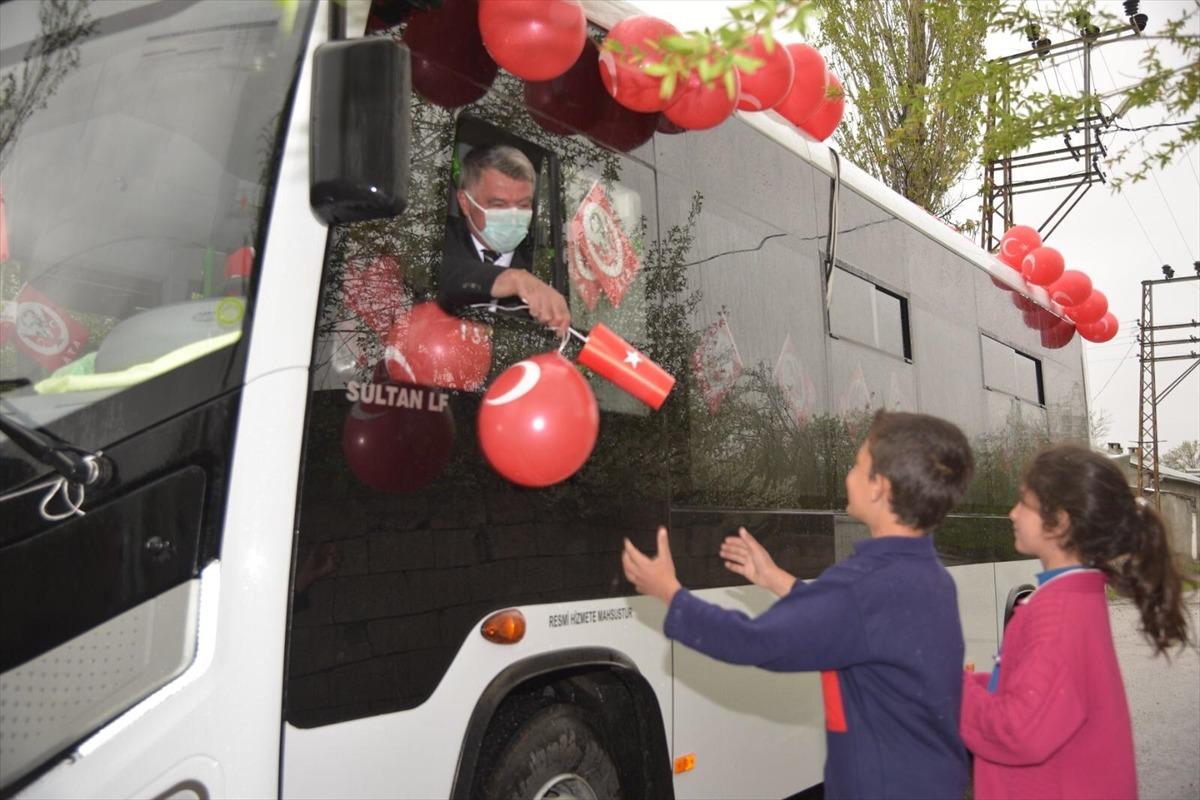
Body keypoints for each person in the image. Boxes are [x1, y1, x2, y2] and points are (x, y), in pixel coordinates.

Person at [622, 410, 975, 799]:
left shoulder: (863, 586)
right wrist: (774, 577)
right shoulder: (929, 576)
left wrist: (671, 594)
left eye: (858, 466)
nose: (848, 476)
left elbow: (755, 641)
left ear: (879, 487)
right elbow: (855, 625)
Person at [960, 444, 1190, 800]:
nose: (1012, 514)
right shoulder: (1072, 596)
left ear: (1060, 521)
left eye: (1024, 503)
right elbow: (1030, 688)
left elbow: (1019, 731)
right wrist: (973, 681)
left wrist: (948, 688)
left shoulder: (1060, 615)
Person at [439, 143, 570, 334]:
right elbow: (433, 271)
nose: (513, 216)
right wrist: (510, 279)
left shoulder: (545, 269)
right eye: (499, 205)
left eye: (523, 205)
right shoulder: (436, 238)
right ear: (465, 203)